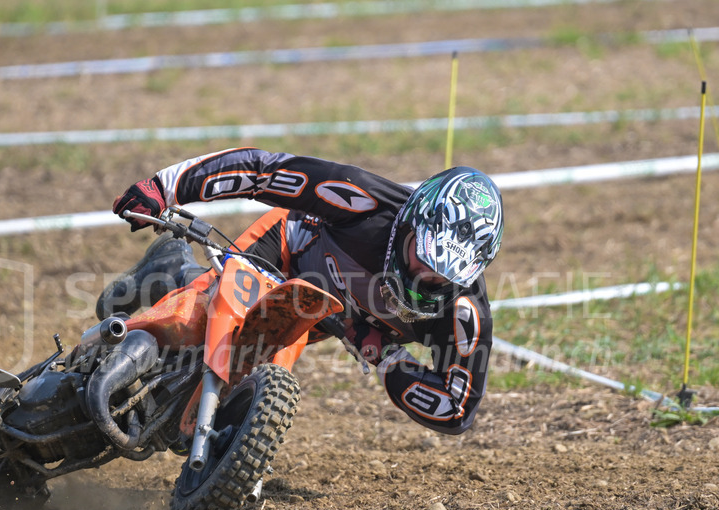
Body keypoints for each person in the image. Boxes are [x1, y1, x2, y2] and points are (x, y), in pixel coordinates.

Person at [98, 147, 504, 435]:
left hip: (328, 312)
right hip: (289, 249)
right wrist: (166, 187)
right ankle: (169, 275)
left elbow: (457, 410)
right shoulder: (366, 201)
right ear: (413, 221)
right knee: (199, 314)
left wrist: (385, 356)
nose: (423, 275)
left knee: (249, 373)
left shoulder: (465, 312)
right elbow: (264, 171)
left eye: (440, 275)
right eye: (423, 256)